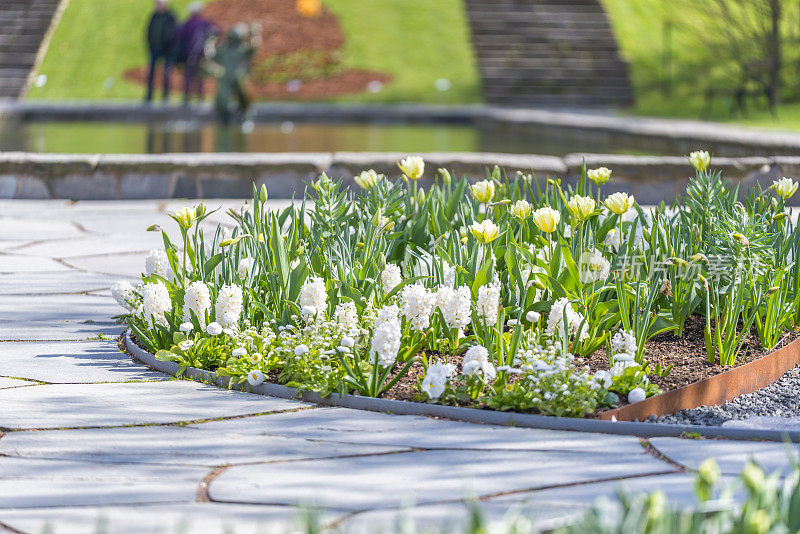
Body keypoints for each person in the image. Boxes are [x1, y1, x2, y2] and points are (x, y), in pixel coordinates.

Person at [207, 23, 261, 123]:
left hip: (237, 76)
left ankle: (244, 113)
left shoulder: (241, 49)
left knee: (243, 95)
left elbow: (254, 48)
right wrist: (210, 41)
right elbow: (211, 55)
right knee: (222, 98)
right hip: (226, 76)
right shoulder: (224, 49)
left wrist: (255, 34)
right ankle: (224, 115)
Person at [174, 2, 217, 105]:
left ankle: (187, 97)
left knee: (189, 76)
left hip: (190, 54)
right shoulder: (204, 23)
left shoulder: (188, 23)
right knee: (199, 76)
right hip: (201, 54)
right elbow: (216, 30)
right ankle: (199, 97)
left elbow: (178, 37)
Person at [145, 0, 177, 103]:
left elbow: (173, 34)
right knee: (151, 72)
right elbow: (149, 31)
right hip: (154, 48)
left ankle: (165, 96)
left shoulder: (170, 17)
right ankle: (149, 95)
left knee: (166, 73)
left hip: (167, 50)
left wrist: (169, 46)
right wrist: (150, 45)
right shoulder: (154, 16)